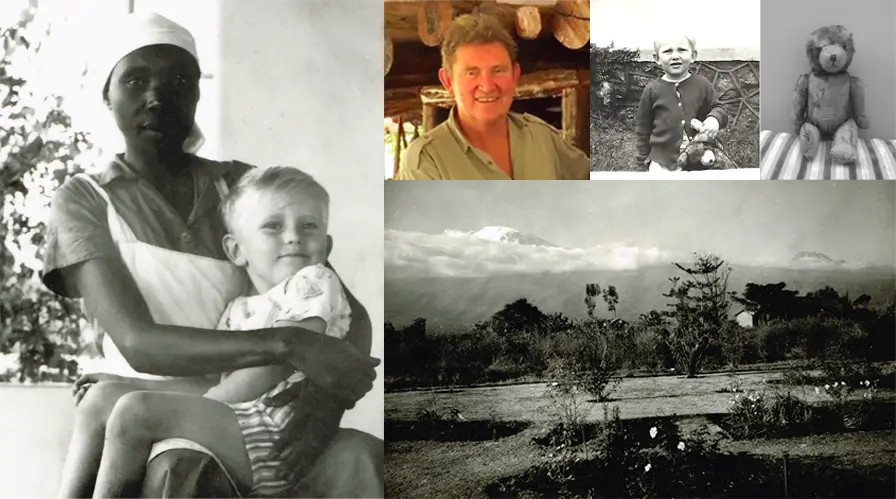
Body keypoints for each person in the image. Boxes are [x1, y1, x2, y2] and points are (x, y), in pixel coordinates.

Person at [41, 12, 382, 499]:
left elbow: (347, 313)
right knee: (130, 425)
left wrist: (324, 405)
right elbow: (139, 343)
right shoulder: (86, 198)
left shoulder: (242, 188)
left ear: (198, 93)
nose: (158, 98)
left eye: (180, 81)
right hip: (159, 392)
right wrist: (288, 344)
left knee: (356, 456)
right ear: (107, 94)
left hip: (245, 394)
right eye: (136, 80)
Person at [57, 168, 351, 498]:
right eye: (273, 226)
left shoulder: (315, 282)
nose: (294, 236)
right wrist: (126, 385)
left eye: (309, 225)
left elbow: (269, 371)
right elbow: (220, 382)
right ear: (236, 251)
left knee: (134, 413)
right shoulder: (240, 308)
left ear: (325, 246)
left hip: (279, 439)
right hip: (240, 423)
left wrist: (173, 408)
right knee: (100, 400)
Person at [396, 13, 590, 180]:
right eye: (472, 72)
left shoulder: (540, 136)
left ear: (515, 76)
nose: (487, 86)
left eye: (498, 71)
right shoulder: (426, 161)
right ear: (448, 82)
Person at [634, 34, 729, 173]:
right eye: (667, 51)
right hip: (663, 161)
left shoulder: (702, 85)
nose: (675, 56)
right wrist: (641, 162)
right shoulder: (651, 90)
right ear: (657, 58)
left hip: (698, 158)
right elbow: (643, 128)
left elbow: (719, 108)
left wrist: (714, 118)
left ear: (693, 55)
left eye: (682, 50)